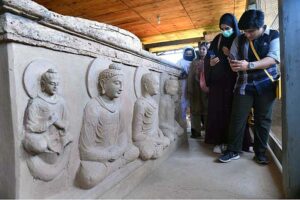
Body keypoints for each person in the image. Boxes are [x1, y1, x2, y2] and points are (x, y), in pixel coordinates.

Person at [219, 10, 280, 165]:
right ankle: (233, 150)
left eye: (251, 31)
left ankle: (260, 153)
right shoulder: (238, 40)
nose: (247, 34)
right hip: (244, 84)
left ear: (262, 26)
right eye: (245, 31)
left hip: (266, 84)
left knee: (263, 119)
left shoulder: (273, 35)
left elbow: (273, 59)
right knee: (237, 117)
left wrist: (249, 65)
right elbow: (232, 60)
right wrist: (234, 65)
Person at [77, 63, 139, 189]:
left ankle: (110, 167)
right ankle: (115, 165)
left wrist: (119, 150)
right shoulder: (93, 107)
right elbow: (85, 151)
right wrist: (109, 155)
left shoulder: (119, 105)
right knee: (88, 178)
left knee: (135, 151)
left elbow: (122, 134)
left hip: (116, 151)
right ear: (103, 84)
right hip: (100, 153)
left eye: (122, 84)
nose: (121, 88)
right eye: (117, 83)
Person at [204, 13, 252, 153]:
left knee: (236, 113)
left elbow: (245, 59)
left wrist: (228, 54)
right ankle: (219, 141)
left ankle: (241, 143)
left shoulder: (240, 39)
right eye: (222, 28)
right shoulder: (218, 39)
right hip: (218, 85)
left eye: (227, 28)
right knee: (218, 112)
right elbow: (209, 55)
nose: (225, 31)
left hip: (235, 83)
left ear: (234, 26)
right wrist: (210, 62)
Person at [23, 68, 72, 181]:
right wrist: (49, 122)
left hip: (57, 136)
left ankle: (56, 165)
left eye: (57, 84)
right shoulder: (36, 102)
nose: (55, 87)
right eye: (52, 84)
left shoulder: (61, 101)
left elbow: (66, 122)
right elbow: (30, 127)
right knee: (39, 145)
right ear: (43, 84)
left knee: (69, 138)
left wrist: (58, 123)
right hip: (41, 136)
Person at [132, 73, 170, 161]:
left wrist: (160, 135)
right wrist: (157, 141)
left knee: (167, 140)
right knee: (147, 153)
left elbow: (156, 126)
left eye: (158, 84)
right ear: (146, 85)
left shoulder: (154, 103)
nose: (158, 86)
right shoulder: (140, 104)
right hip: (144, 139)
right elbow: (136, 135)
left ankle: (157, 147)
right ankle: (157, 148)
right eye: (155, 84)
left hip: (155, 137)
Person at [187, 42, 208, 138]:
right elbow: (190, 76)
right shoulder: (194, 62)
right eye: (200, 49)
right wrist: (189, 89)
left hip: (206, 90)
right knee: (195, 110)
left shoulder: (210, 61)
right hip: (195, 89)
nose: (202, 51)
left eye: (204, 49)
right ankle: (196, 131)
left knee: (207, 110)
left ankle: (209, 132)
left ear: (207, 50)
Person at [176, 46, 197, 129]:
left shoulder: (196, 61)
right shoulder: (180, 62)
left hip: (195, 84)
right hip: (184, 84)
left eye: (190, 53)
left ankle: (195, 127)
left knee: (195, 104)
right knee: (183, 103)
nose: (189, 54)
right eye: (187, 53)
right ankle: (182, 123)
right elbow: (176, 72)